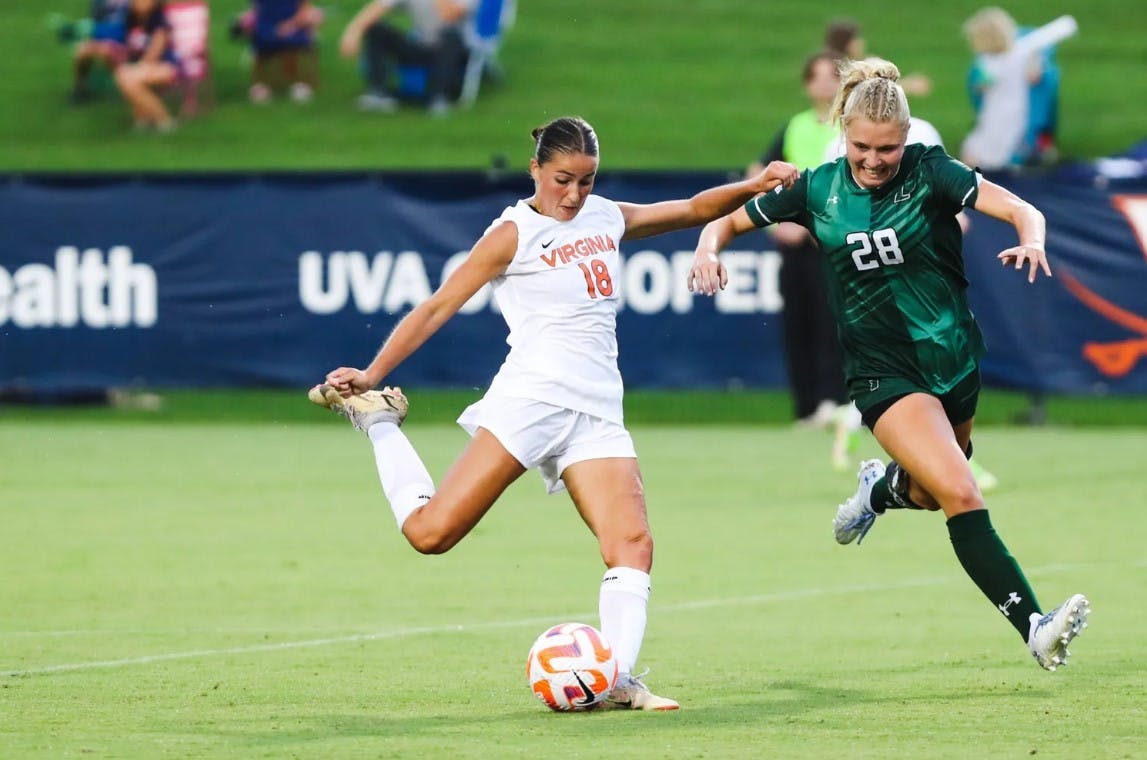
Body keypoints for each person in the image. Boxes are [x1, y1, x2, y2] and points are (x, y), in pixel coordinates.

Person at [309, 116, 799, 708]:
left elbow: (695, 208)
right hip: (533, 399)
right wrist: (373, 375)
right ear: (536, 169)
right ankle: (379, 420)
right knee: (431, 534)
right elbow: (439, 306)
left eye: (587, 181)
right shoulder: (512, 233)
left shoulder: (605, 216)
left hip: (596, 410)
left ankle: (616, 678)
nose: (573, 194)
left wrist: (756, 185)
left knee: (633, 543)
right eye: (563, 179)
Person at [687, 59, 1089, 671]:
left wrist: (1032, 239)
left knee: (929, 493)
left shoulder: (931, 172)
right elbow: (726, 223)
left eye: (889, 148)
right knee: (961, 490)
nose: (874, 160)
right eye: (862, 147)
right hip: (883, 371)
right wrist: (707, 250)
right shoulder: (817, 188)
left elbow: (1020, 209)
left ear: (907, 139)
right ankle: (1034, 625)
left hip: (953, 359)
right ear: (843, 131)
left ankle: (881, 490)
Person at [821, 77, 999, 490]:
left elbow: (937, 194)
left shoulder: (923, 141)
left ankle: (930, 463)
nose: (873, 157)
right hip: (873, 276)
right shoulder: (841, 148)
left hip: (914, 268)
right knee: (899, 363)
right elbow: (835, 209)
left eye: (886, 147)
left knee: (931, 362)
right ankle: (952, 465)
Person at [749, 50, 849, 431]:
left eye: (831, 76)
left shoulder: (849, 127)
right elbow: (758, 174)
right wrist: (778, 224)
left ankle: (835, 402)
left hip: (835, 244)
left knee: (835, 323)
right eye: (817, 76)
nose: (824, 84)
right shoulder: (796, 127)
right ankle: (806, 407)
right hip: (796, 244)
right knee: (799, 323)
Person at [960, 9, 1078, 171]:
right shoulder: (1019, 52)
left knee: (986, 149)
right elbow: (1034, 76)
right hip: (1010, 109)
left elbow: (980, 86)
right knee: (993, 145)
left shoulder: (989, 61)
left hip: (1002, 110)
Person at [339, 0, 474, 116]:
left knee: (451, 36)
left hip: (460, 53)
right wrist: (353, 31)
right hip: (424, 46)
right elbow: (378, 7)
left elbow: (449, 16)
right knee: (376, 29)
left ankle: (437, 98)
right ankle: (378, 93)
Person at [113, 0, 181, 132]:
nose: (140, 3)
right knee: (124, 76)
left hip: (165, 67)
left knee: (126, 78)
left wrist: (135, 68)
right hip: (142, 68)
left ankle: (164, 120)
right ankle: (146, 118)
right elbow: (128, 50)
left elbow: (154, 54)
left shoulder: (160, 22)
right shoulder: (130, 21)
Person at [823, 18, 932, 97]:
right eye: (856, 39)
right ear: (846, 43)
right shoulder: (828, 69)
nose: (861, 43)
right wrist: (908, 86)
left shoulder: (869, 64)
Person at [246, 0, 323, 104]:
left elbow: (305, 9)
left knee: (292, 42)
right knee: (262, 41)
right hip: (267, 24)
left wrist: (291, 25)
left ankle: (298, 83)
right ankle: (261, 84)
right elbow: (255, 10)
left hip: (295, 24)